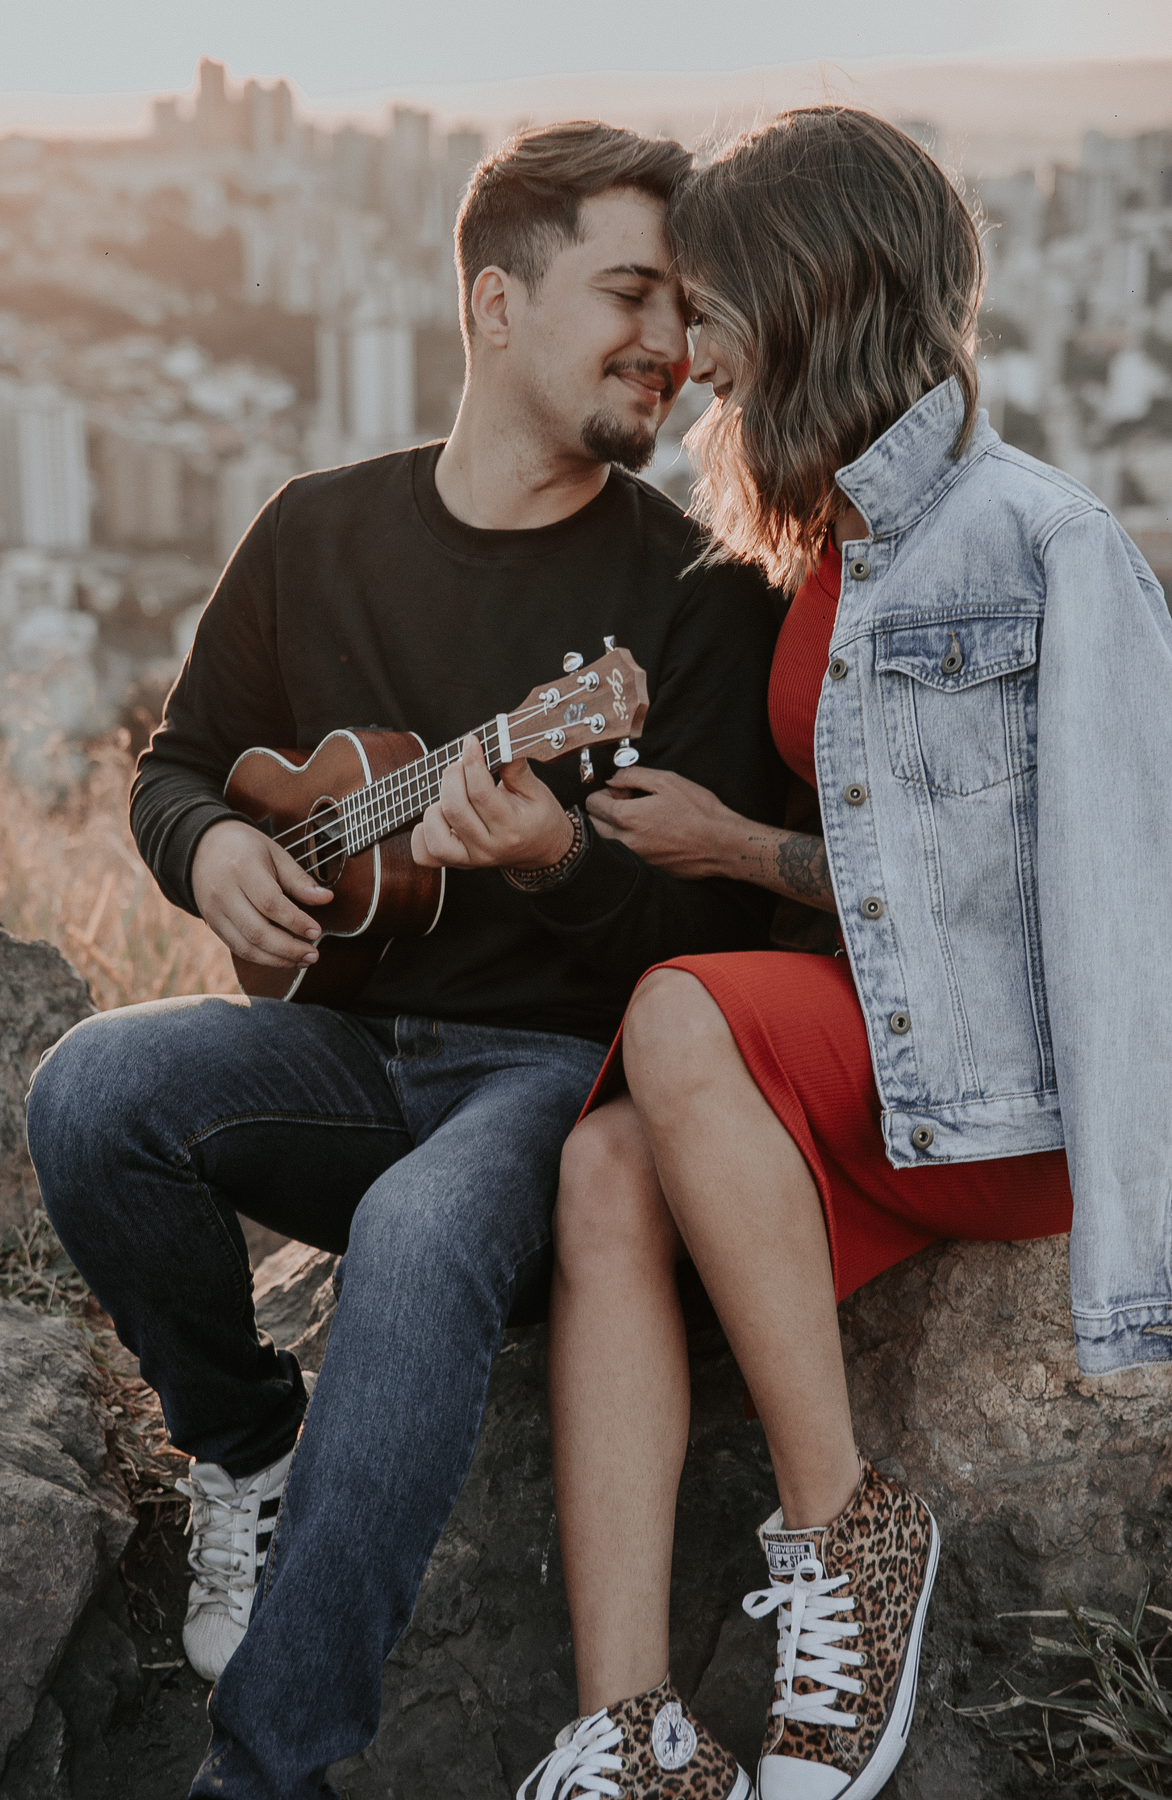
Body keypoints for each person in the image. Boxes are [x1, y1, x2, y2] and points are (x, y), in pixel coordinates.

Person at [24, 123, 793, 1800]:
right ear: (495, 302)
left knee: (420, 1230)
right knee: (90, 1090)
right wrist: (212, 851)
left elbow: (740, 942)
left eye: (684, 304)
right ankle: (247, 1448)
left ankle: (265, 1771)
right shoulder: (313, 531)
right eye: (629, 292)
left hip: (559, 1090)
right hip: (348, 1057)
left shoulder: (692, 593)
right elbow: (182, 760)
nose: (670, 342)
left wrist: (567, 861)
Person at [518, 108, 1172, 1800]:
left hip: (999, 1108)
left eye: (709, 304)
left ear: (804, 293)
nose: (687, 349)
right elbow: (899, 877)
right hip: (885, 1070)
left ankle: (848, 1537)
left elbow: (1108, 898)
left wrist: (1142, 1272)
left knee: (674, 1019)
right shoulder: (829, 543)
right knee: (602, 1169)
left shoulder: (1047, 545)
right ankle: (634, 1730)